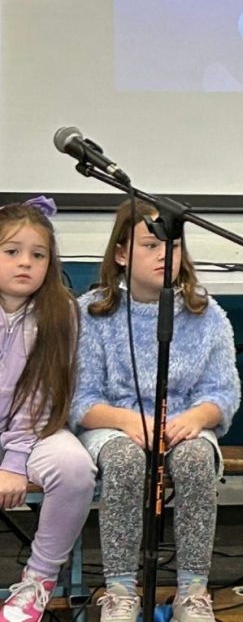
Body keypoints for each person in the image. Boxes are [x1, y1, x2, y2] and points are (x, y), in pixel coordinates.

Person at [73, 199, 241, 622]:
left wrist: (198, 418)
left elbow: (223, 393)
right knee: (125, 461)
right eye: (150, 245)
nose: (165, 254)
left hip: (183, 422)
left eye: (173, 245)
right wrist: (126, 421)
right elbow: (80, 399)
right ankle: (120, 591)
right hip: (115, 423)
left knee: (196, 460)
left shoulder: (206, 313)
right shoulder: (91, 312)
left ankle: (192, 591)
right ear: (121, 254)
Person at [0, 199, 96, 622]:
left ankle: (38, 580)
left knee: (74, 468)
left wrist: (15, 461)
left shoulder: (61, 313)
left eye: (38, 255)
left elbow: (43, 395)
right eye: (12, 251)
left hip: (35, 431)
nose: (26, 262)